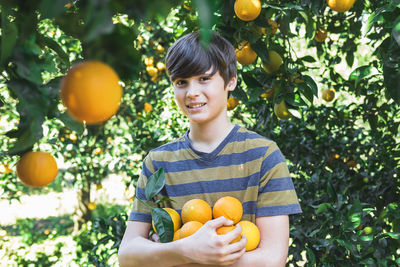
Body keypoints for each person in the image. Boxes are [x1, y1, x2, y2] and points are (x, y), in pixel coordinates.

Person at [118, 31, 302, 267]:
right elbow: (128, 255)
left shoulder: (263, 155)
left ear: (231, 80)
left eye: (204, 78)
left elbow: (272, 259)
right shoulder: (158, 162)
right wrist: (185, 249)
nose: (192, 92)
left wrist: (176, 254)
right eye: (181, 82)